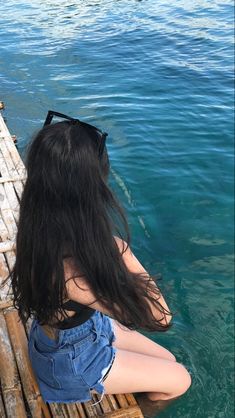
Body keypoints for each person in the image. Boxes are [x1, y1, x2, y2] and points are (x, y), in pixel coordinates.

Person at [8, 111, 191, 410]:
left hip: (79, 333)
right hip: (72, 362)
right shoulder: (70, 271)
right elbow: (161, 318)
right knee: (180, 380)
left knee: (168, 361)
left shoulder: (38, 228)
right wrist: (123, 251)